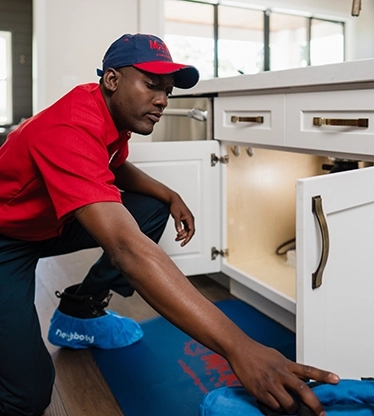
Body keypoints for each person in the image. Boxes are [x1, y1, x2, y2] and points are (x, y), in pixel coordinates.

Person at [0, 33, 339, 416]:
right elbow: (127, 249)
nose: (162, 100)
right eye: (151, 85)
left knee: (149, 208)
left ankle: (80, 310)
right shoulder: (69, 128)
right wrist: (240, 348)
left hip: (46, 225)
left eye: (167, 91)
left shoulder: (104, 109)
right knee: (26, 396)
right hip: (6, 240)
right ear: (112, 79)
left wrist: (169, 194)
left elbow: (110, 163)